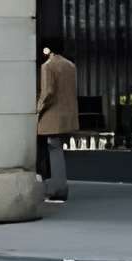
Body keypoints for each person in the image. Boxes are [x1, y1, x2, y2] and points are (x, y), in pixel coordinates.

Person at [37, 41, 80, 204]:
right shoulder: (70, 65)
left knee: (53, 151)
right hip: (67, 115)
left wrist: (38, 108)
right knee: (58, 150)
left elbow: (48, 91)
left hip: (52, 115)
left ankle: (57, 189)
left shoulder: (48, 66)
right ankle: (60, 187)